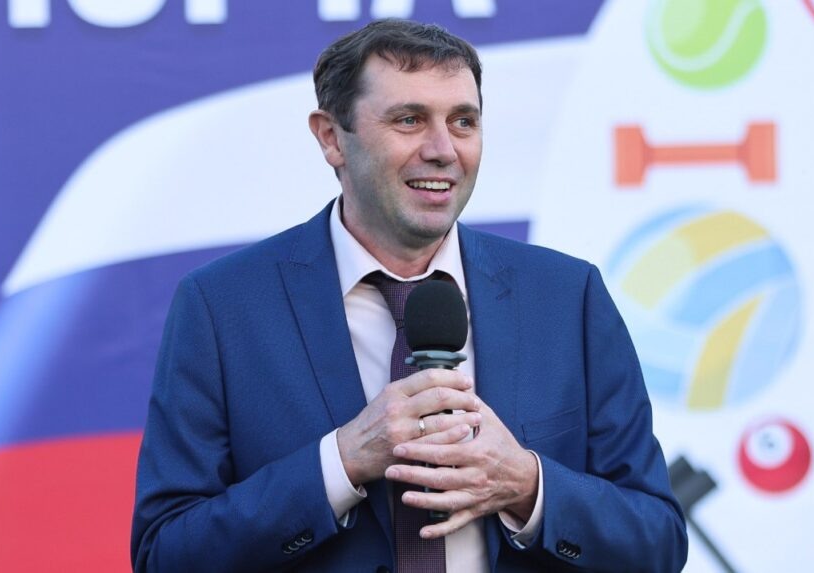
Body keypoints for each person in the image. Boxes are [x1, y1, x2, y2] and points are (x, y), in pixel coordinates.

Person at [131, 19, 688, 573]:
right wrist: (341, 463)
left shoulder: (566, 296)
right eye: (409, 120)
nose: (443, 150)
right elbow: (165, 554)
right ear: (331, 137)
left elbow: (658, 543)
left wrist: (526, 485)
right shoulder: (222, 306)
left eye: (463, 121)